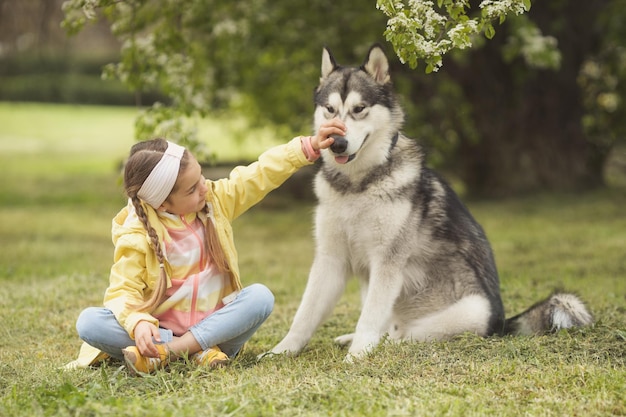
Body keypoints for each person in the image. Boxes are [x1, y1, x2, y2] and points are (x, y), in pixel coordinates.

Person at [65, 119, 346, 375]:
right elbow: (122, 291)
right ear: (162, 204)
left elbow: (258, 175)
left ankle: (171, 354)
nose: (203, 187)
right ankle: (192, 353)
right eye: (191, 189)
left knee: (260, 297)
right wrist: (138, 323)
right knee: (89, 322)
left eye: (201, 176)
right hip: (159, 331)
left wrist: (306, 147)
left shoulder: (215, 201)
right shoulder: (137, 234)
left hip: (214, 329)